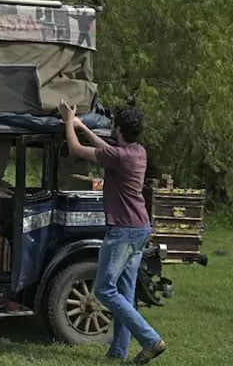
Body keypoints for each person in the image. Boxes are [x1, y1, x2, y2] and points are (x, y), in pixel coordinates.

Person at [60, 99, 166, 364]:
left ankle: (150, 339)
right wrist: (81, 124)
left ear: (117, 128)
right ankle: (118, 351)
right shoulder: (138, 152)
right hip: (140, 228)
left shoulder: (118, 157)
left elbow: (74, 149)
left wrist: (67, 122)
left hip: (123, 230)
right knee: (125, 291)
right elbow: (107, 148)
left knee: (105, 290)